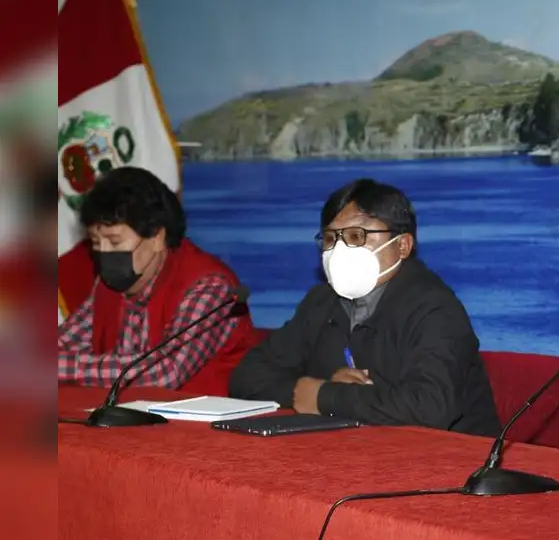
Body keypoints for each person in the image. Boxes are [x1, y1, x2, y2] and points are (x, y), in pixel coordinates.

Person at [229, 179, 500, 436]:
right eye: (330, 239)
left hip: (454, 467)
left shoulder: (435, 307)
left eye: (357, 236)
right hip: (363, 455)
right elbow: (248, 375)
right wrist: (303, 390)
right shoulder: (322, 302)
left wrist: (326, 397)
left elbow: (430, 406)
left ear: (402, 246)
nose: (340, 250)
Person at [57, 166, 254, 389]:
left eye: (114, 242)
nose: (103, 253)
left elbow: (165, 372)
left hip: (203, 422)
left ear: (156, 238)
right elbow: (63, 343)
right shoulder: (109, 283)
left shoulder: (210, 287)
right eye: (95, 243)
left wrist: (62, 367)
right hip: (129, 419)